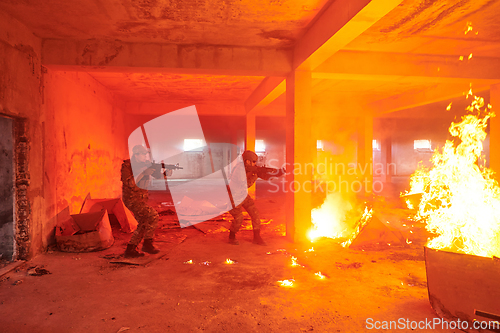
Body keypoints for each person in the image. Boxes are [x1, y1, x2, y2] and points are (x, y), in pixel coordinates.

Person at [228, 150, 284, 246]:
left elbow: (266, 176)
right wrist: (256, 172)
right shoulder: (238, 169)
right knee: (239, 218)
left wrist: (277, 173)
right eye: (253, 162)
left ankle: (257, 237)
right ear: (247, 161)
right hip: (233, 197)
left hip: (243, 195)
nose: (255, 164)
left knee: (255, 214)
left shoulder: (253, 170)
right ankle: (231, 236)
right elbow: (244, 183)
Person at [121, 145, 165, 258]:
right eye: (143, 154)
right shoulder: (127, 166)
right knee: (153, 215)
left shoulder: (144, 164)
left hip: (141, 199)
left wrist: (163, 172)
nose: (145, 156)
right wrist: (143, 173)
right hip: (131, 199)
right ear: (136, 155)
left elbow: (157, 175)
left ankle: (130, 249)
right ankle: (147, 244)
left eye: (146, 154)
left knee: (143, 223)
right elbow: (129, 183)